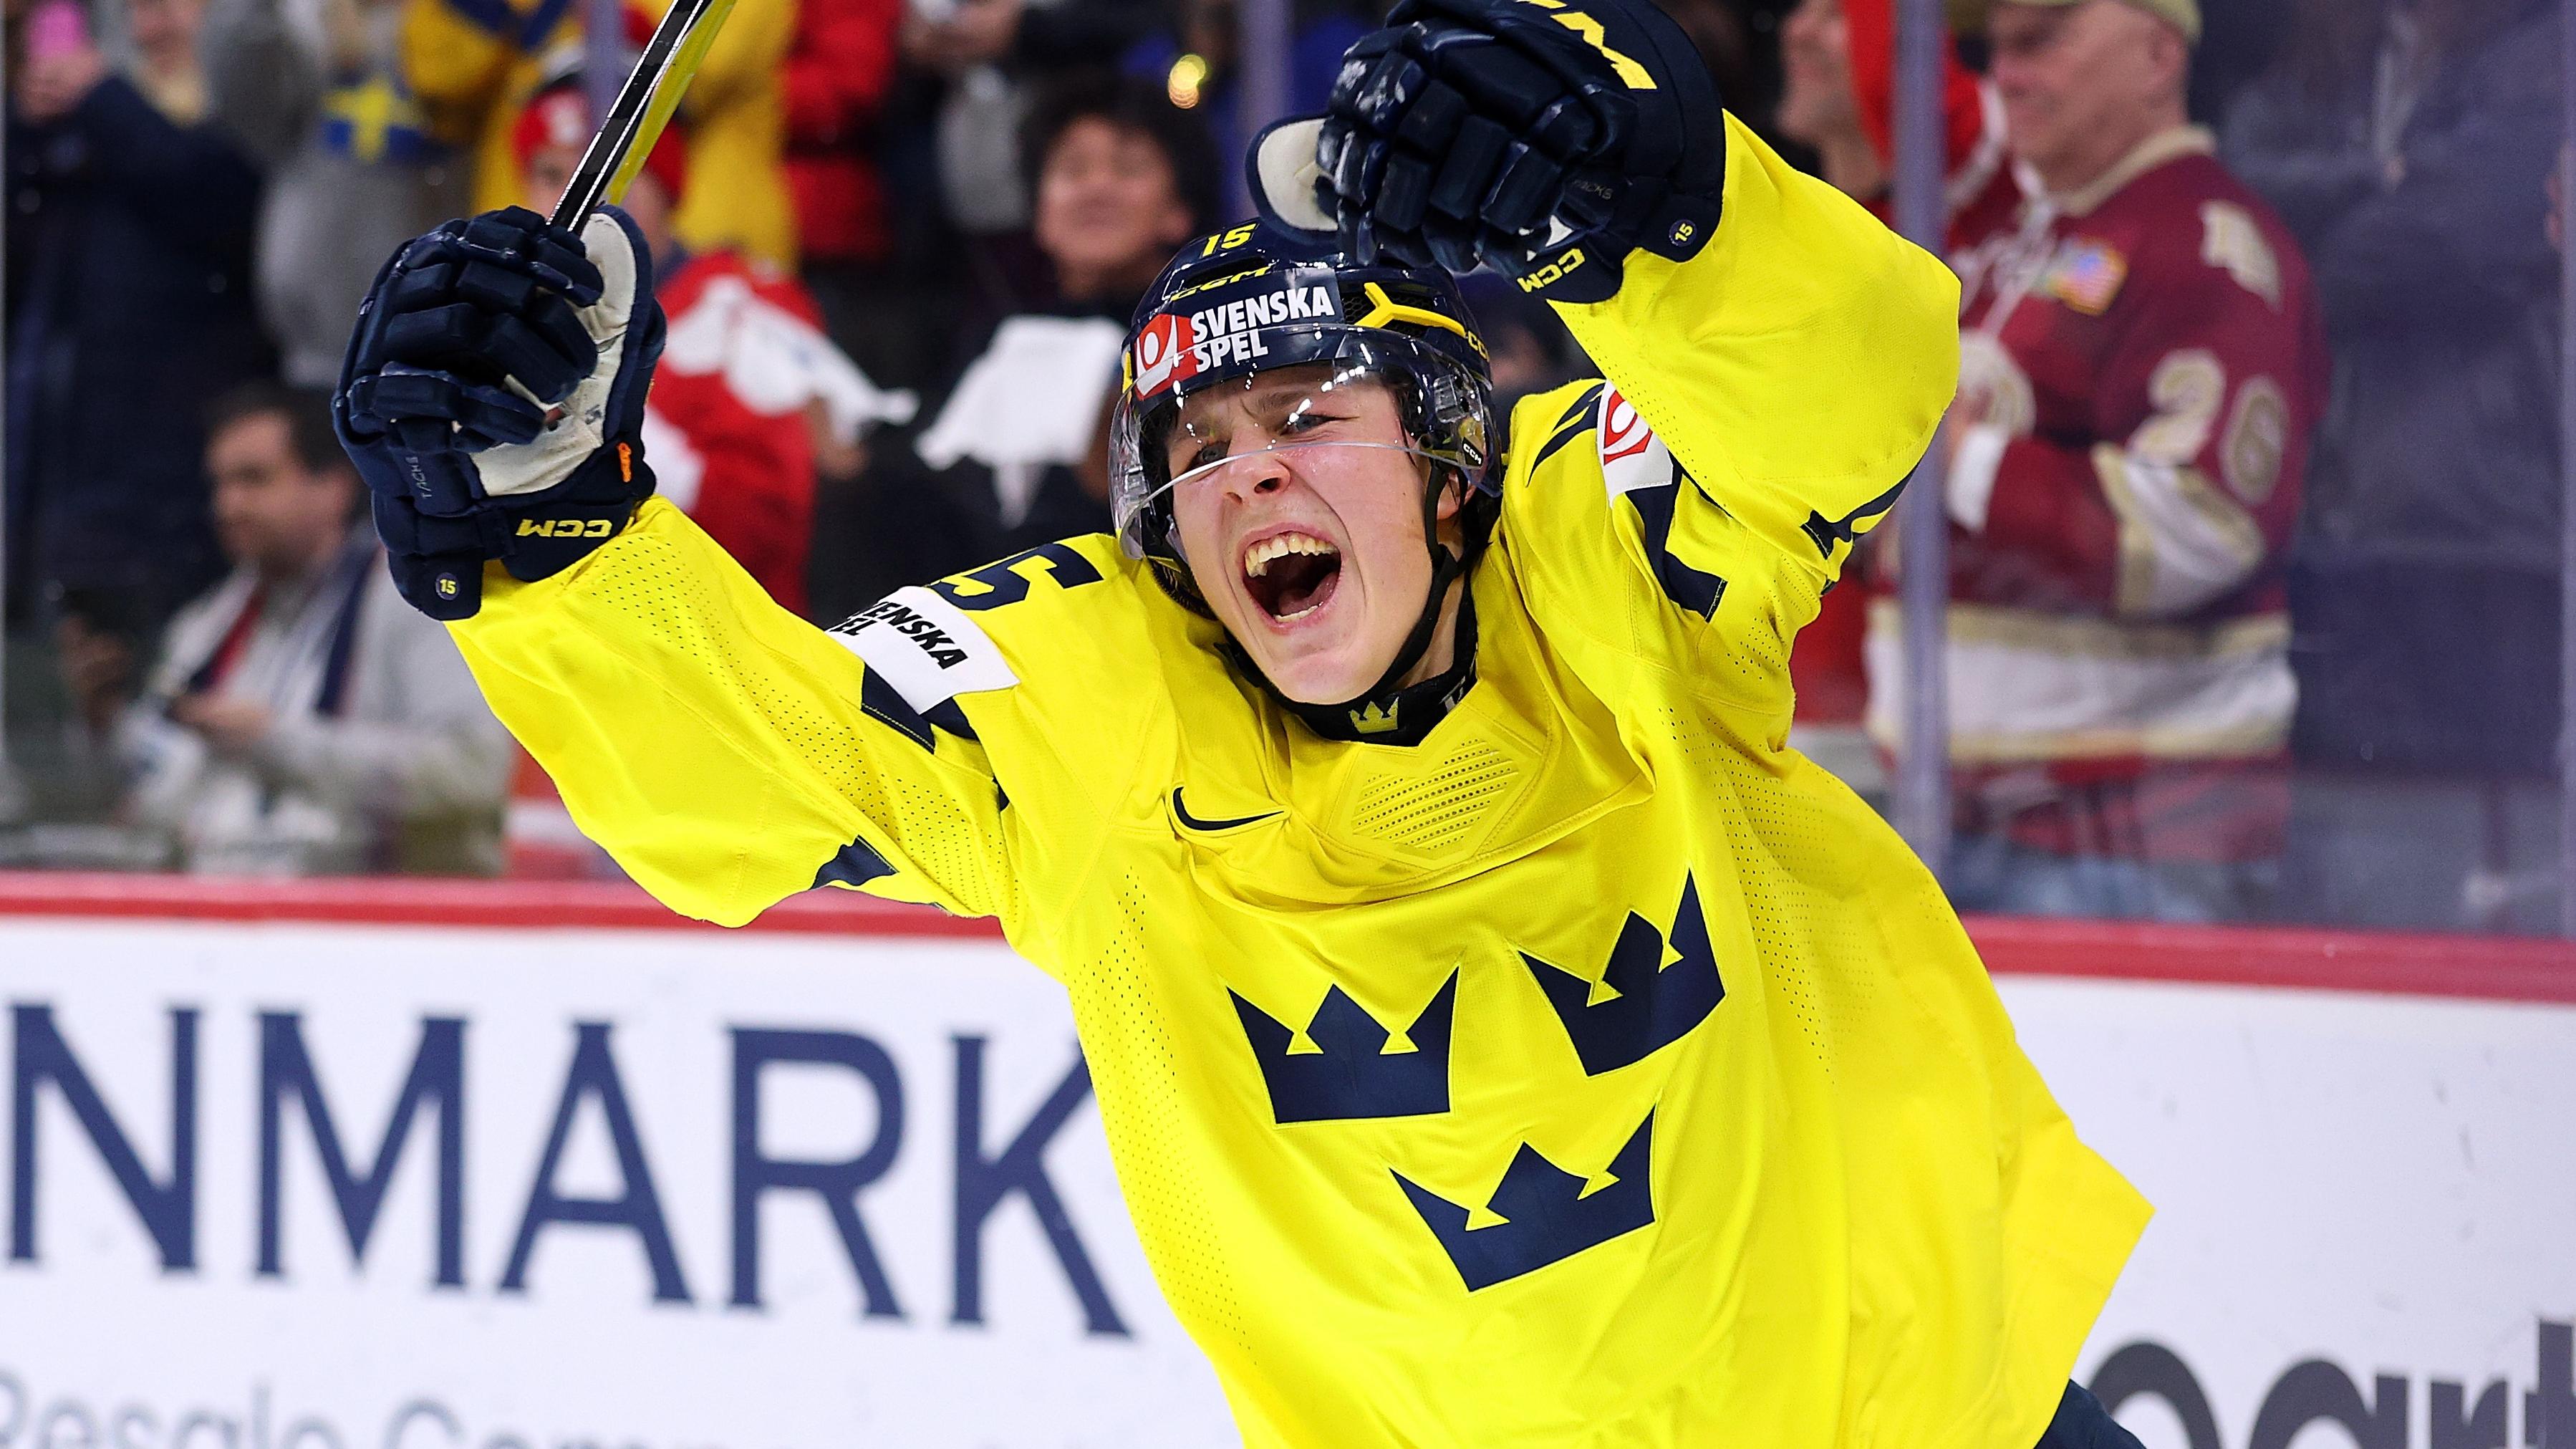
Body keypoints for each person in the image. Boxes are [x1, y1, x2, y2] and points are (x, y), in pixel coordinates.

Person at [335, 0, 2153, 1439]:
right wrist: (548, 533)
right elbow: (745, 791)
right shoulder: (1095, 683)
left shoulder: (1580, 553)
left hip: (1924, 1410)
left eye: (1306, 419)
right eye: (1193, 452)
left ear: (1448, 469)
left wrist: (1649, 201)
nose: (1242, 474)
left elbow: (1851, 395)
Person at [1868, 0, 2329, 922]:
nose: (2007, 73)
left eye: (2044, 38)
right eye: (1994, 47)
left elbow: (2202, 522)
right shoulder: (2014, 248)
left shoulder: (2205, 250)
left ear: (2159, 53)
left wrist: (1951, 456)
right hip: (1950, 819)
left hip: (2129, 842)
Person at [2222, 0, 2563, 933]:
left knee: (2485, 879)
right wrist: (2380, 175)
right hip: (2337, 536)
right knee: (2358, 884)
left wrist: (2318, 234)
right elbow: (2235, 188)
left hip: (2484, 541)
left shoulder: (2545, 47)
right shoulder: (2325, 51)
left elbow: (2457, 234)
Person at [821, 73, 1215, 620]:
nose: (1096, 187)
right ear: (1039, 213)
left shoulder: (1197, 343)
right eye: (1071, 170)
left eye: (1128, 168)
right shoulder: (997, 334)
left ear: (1179, 211)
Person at [514, 74, 910, 616]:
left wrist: (614, 438)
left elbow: (764, 538)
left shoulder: (743, 312)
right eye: (549, 176)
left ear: (666, 187)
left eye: (608, 180)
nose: (573, 205)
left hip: (720, 651)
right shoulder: (513, 327)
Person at [93, 385, 509, 875]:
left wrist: (278, 742)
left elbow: (474, 774)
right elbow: (161, 805)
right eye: (220, 483)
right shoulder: (205, 625)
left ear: (334, 486)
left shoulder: (416, 601)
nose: (229, 505)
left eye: (254, 479)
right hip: (223, 923)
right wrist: (107, 726)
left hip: (388, 929)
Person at [5, 0, 269, 634]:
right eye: (137, 10)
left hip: (177, 487)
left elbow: (215, 196)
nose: (152, 27)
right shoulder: (99, 126)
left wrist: (102, 100)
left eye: (172, 6)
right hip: (68, 482)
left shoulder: (241, 94)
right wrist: (29, 133)